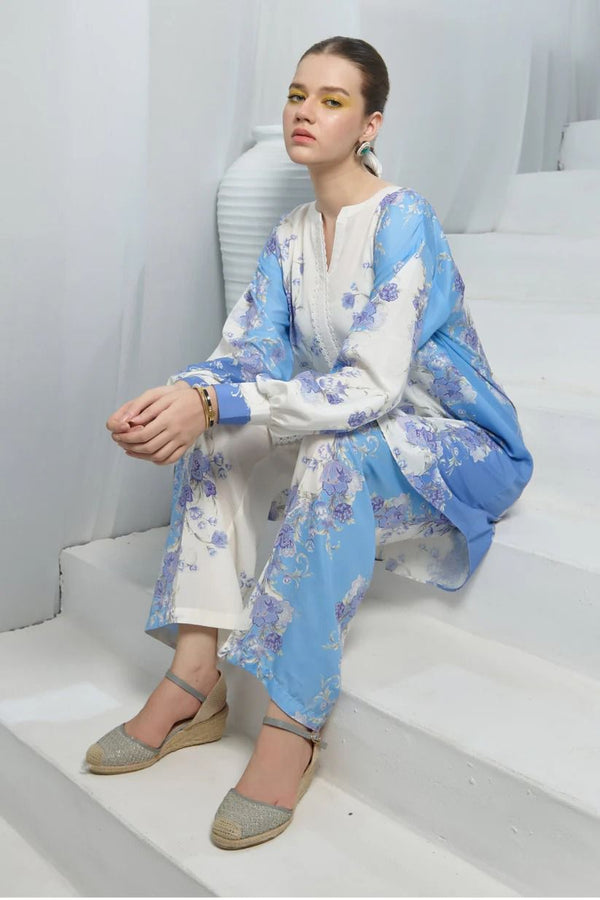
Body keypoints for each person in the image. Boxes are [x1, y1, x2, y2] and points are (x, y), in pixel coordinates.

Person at [85, 36, 533, 850]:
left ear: (370, 124)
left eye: (332, 100)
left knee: (331, 452)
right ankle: (195, 677)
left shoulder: (406, 220)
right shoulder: (291, 234)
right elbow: (248, 356)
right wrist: (182, 397)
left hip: (458, 446)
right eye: (298, 94)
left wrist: (219, 399)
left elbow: (372, 387)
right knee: (216, 438)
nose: (306, 111)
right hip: (366, 431)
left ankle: (294, 717)